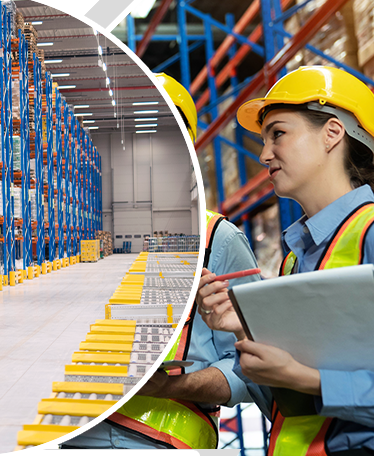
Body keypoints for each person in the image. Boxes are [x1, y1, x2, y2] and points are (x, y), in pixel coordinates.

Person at [196, 65, 374, 455]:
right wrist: (243, 333)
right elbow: (292, 412)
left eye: (278, 134)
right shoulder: (294, 261)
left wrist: (312, 378)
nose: (265, 154)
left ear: (332, 133)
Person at [63, 73, 260, 449]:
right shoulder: (88, 235)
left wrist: (173, 385)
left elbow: (254, 371)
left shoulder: (217, 239)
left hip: (165, 439)